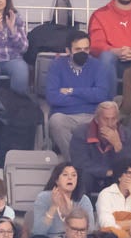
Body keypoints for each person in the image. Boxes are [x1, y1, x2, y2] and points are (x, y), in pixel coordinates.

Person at [46, 31, 115, 161]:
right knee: (56, 121)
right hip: (65, 116)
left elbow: (101, 94)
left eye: (86, 49)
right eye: (78, 49)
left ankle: (92, 164)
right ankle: (75, 165)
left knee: (108, 119)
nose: (83, 52)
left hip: (92, 116)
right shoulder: (56, 66)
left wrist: (72, 91)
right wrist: (88, 95)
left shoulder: (97, 65)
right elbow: (53, 97)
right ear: (68, 51)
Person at [29, 163, 97, 238]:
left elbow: (90, 229)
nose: (70, 178)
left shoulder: (83, 199)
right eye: (65, 175)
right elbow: (38, 231)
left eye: (74, 175)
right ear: (56, 180)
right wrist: (53, 207)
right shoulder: (43, 198)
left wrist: (71, 214)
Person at [71, 103, 131, 196]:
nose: (110, 124)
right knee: (83, 177)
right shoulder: (81, 133)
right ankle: (83, 208)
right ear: (97, 120)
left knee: (128, 177)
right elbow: (80, 163)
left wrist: (118, 145)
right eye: (106, 119)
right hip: (92, 175)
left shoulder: (127, 135)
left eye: (113, 119)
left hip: (115, 177)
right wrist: (105, 172)